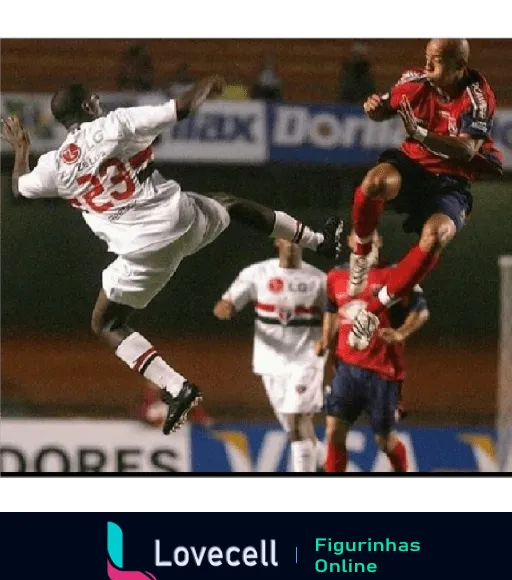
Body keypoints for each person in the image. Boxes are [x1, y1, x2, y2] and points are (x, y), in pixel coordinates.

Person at [0, 76, 344, 435]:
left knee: (106, 324)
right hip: (179, 219)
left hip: (138, 253)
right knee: (230, 202)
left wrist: (22, 149)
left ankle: (177, 388)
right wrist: (206, 85)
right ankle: (320, 241)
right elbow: (179, 109)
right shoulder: (116, 123)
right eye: (92, 96)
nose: (98, 98)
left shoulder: (55, 167)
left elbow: (19, 187)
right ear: (87, 107)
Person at [345, 38, 503, 351]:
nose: (429, 65)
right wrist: (373, 109)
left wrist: (421, 134)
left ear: (460, 67)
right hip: (412, 166)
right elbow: (382, 111)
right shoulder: (414, 82)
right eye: (428, 57)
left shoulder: (477, 96)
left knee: (438, 234)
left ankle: (372, 312)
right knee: (374, 182)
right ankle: (362, 252)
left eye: (439, 59)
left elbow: (467, 149)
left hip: (451, 180)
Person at [316, 231, 430, 473]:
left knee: (384, 441)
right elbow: (332, 307)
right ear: (350, 243)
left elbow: (421, 311)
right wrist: (325, 338)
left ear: (379, 241)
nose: (366, 243)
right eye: (359, 238)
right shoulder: (336, 276)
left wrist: (401, 332)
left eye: (372, 237)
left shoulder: (396, 274)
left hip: (382, 371)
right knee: (334, 431)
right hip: (346, 369)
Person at [213, 238, 328, 472]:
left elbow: (333, 315)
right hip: (270, 363)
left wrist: (326, 343)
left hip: (307, 361)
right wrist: (225, 308)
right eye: (288, 237)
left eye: (299, 238)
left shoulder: (318, 279)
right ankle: (333, 465)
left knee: (296, 420)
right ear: (277, 241)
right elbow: (227, 302)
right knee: (294, 428)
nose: (293, 243)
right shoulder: (257, 273)